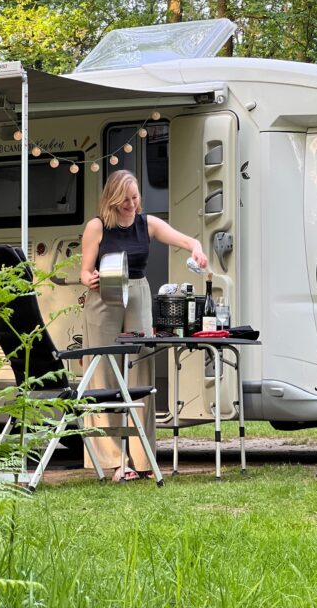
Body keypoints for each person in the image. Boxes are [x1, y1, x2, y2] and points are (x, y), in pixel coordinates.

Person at [80, 169, 207, 481]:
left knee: (142, 370)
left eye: (135, 198)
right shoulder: (97, 227)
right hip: (104, 295)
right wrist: (90, 278)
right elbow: (83, 271)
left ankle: (143, 459)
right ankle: (113, 461)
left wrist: (196, 248)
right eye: (125, 199)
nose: (131, 204)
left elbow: (182, 238)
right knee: (103, 375)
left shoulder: (146, 223)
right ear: (112, 199)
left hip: (137, 291)